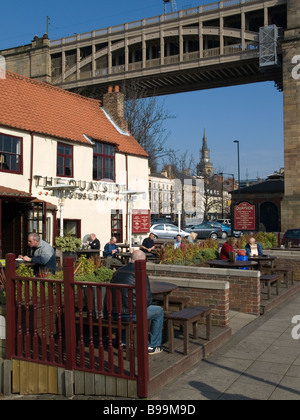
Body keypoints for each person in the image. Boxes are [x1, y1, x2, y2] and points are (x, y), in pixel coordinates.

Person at [110, 250, 164, 355]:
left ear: (131, 258)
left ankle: (124, 342)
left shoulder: (117, 272)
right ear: (143, 261)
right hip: (133, 314)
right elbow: (147, 299)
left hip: (115, 312)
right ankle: (153, 345)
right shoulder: (140, 273)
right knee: (159, 311)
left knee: (125, 305)